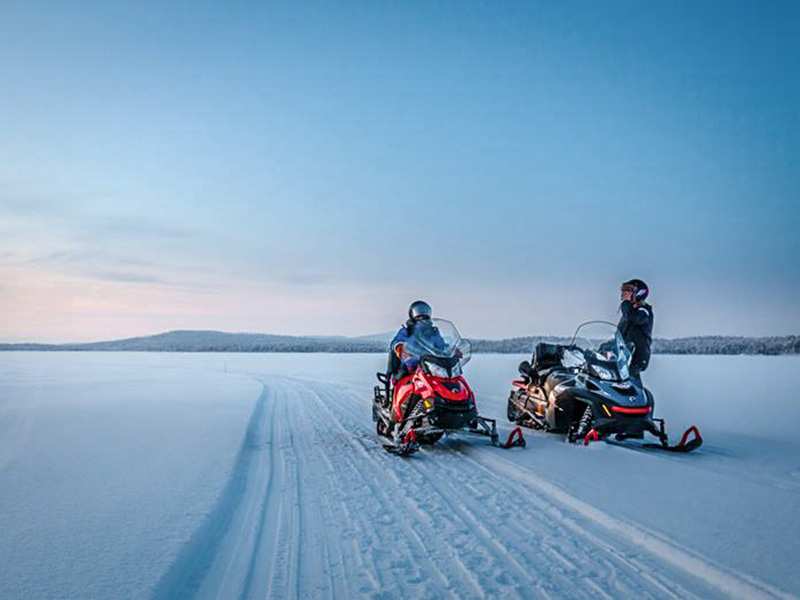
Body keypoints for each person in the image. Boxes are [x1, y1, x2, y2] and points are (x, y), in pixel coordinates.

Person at [617, 279, 654, 385]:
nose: (625, 294)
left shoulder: (644, 311)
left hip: (636, 357)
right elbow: (620, 334)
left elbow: (633, 318)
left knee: (630, 384)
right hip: (624, 356)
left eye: (629, 291)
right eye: (624, 291)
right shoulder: (629, 313)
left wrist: (626, 303)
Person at [387, 300, 434, 381]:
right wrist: (399, 346)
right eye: (418, 315)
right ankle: (401, 391)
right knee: (403, 377)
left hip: (431, 366)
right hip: (410, 365)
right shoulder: (406, 331)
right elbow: (396, 341)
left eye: (424, 315)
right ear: (412, 315)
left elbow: (441, 345)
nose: (421, 318)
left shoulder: (433, 332)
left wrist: (451, 350)